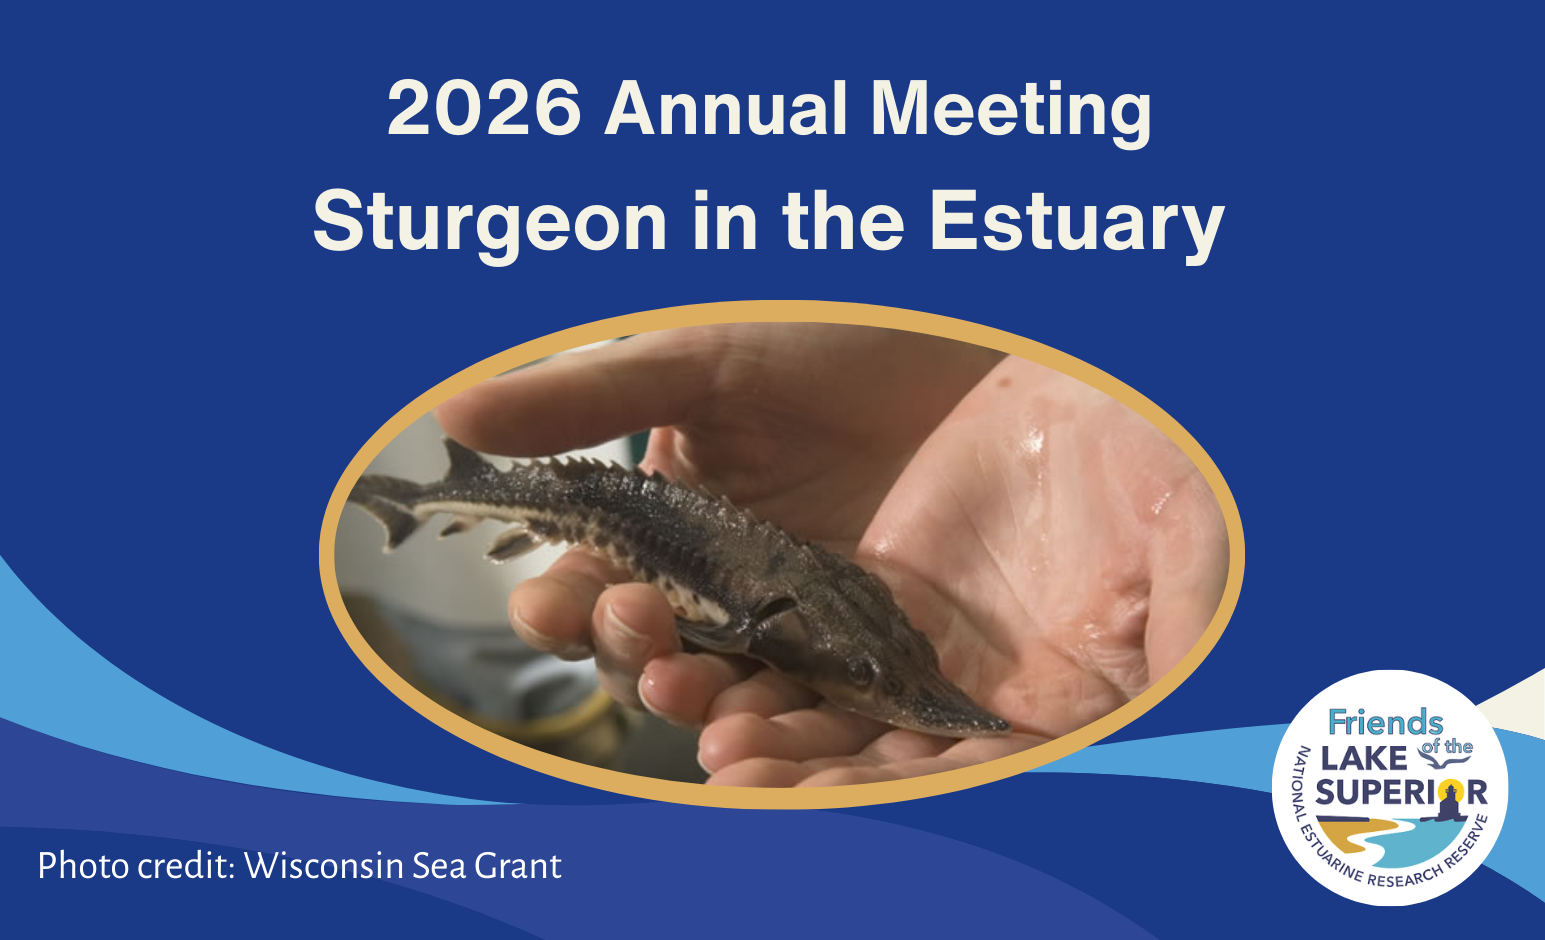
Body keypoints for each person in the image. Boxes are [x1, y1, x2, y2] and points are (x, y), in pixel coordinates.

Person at [436, 322, 1228, 787]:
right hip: (626, 488)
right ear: (756, 625)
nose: (897, 691)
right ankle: (425, 501)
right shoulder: (743, 613)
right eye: (865, 677)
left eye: (892, 663)